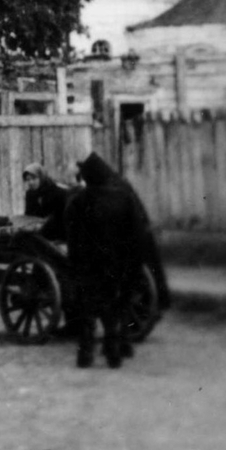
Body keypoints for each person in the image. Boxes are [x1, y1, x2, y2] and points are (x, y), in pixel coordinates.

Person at [62, 152, 148, 369]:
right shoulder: (124, 198)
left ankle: (85, 356)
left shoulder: (78, 201)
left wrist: (75, 265)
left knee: (87, 313)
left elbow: (72, 238)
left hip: (88, 266)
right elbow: (137, 234)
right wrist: (133, 264)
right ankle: (113, 354)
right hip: (117, 265)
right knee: (113, 312)